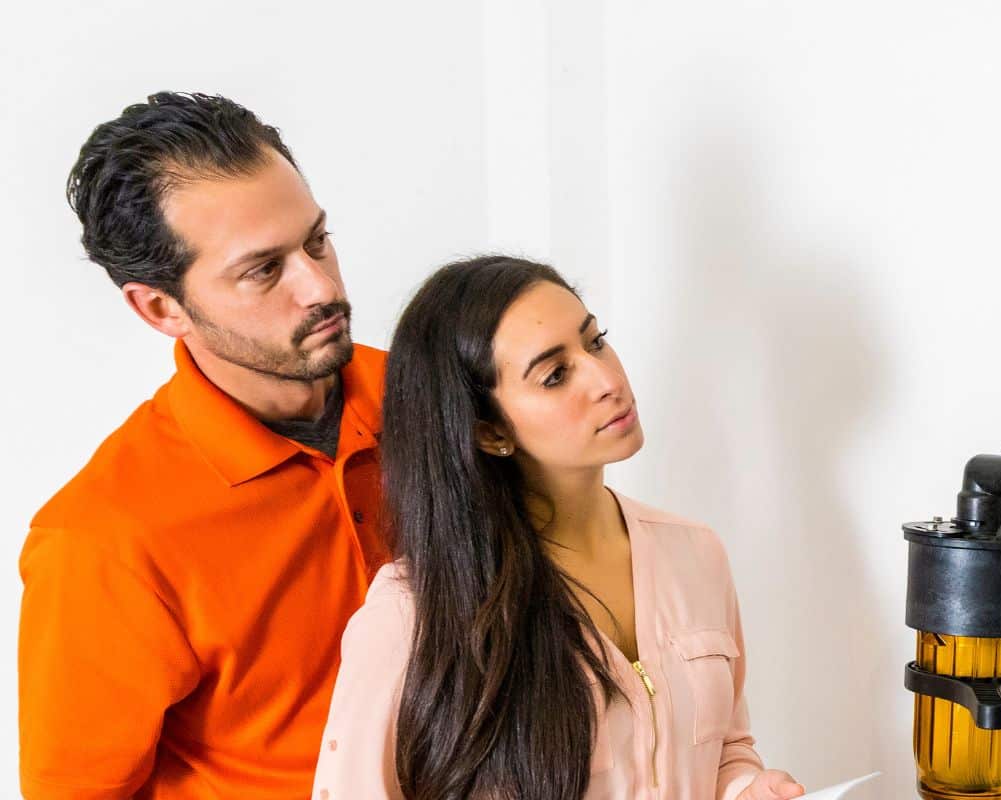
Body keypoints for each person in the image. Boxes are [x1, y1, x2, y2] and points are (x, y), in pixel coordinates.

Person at [311, 256, 804, 800]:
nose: (607, 380)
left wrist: (746, 790)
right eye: (554, 375)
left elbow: (724, 750)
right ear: (489, 431)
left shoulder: (695, 552)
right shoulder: (413, 612)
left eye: (595, 342)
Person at [21, 93, 387, 797]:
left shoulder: (434, 394)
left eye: (316, 240)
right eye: (263, 269)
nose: (321, 285)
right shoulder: (104, 539)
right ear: (160, 307)